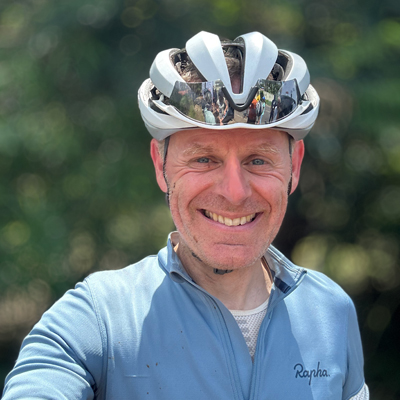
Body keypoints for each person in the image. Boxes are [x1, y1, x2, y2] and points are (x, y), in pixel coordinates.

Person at [2, 31, 368, 400]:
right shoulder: (98, 320)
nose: (235, 192)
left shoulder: (330, 312)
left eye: (258, 160)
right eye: (204, 159)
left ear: (294, 167)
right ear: (160, 166)